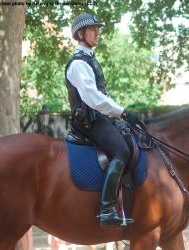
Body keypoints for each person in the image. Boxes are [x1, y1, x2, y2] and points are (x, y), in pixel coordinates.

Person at [65, 13, 139, 226]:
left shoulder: (89, 59)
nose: (97, 33)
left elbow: (102, 95)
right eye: (92, 30)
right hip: (89, 121)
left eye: (98, 29)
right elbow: (92, 98)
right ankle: (107, 208)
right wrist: (122, 111)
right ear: (80, 34)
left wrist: (120, 113)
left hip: (100, 117)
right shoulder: (78, 64)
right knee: (122, 151)